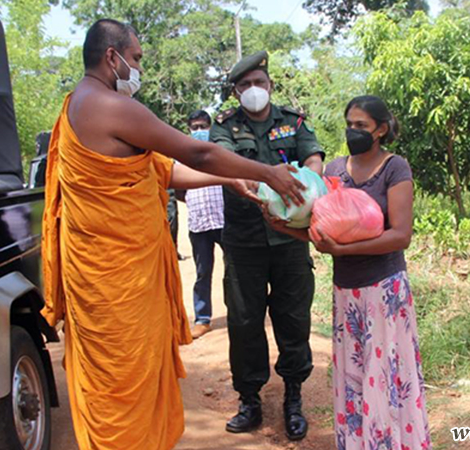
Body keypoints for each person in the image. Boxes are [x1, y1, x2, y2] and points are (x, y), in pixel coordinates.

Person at [40, 20, 306, 450]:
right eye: (137, 58)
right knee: (123, 382)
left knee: (124, 380)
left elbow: (163, 170)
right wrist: (266, 173)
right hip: (115, 285)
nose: (139, 68)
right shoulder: (112, 106)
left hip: (107, 280)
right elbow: (197, 151)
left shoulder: (79, 104)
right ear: (113, 57)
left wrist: (227, 180)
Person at [267, 95, 431, 450]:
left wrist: (343, 251)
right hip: (348, 293)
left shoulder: (394, 168)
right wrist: (283, 226)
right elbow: (319, 230)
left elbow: (400, 235)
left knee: (387, 377)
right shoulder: (334, 171)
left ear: (381, 130)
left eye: (361, 126)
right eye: (349, 124)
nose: (353, 132)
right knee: (355, 378)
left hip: (384, 292)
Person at [209, 50, 324, 441]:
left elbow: (313, 158)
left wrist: (308, 188)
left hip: (291, 239)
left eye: (259, 83)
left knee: (294, 318)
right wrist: (242, 185)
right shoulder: (224, 125)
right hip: (243, 241)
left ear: (270, 86)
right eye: (244, 85)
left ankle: (293, 396)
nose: (253, 90)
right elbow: (221, 164)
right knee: (244, 322)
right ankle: (250, 399)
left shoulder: (293, 121)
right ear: (235, 92)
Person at [176, 110, 224, 339]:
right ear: (188, 129)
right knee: (203, 272)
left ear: (210, 127)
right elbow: (179, 192)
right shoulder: (181, 157)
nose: (199, 131)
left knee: (235, 270)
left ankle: (239, 312)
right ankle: (203, 319)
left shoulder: (220, 153)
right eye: (195, 127)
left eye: (203, 126)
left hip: (224, 219)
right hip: (199, 223)